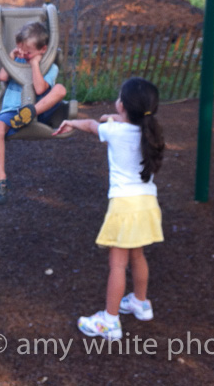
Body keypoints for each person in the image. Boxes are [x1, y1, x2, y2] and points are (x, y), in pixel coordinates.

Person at [53, 77, 165, 341]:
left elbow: (92, 126)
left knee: (118, 265)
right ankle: (140, 303)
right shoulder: (150, 132)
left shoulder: (114, 132)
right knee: (138, 255)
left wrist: (72, 122)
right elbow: (112, 122)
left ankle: (110, 321)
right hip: (147, 203)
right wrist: (113, 118)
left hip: (124, 207)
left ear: (122, 106)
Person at [0, 21, 67, 204]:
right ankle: (1, 180)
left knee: (60, 89)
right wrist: (11, 57)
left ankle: (30, 113)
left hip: (40, 110)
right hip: (13, 112)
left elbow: (40, 89)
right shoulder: (16, 61)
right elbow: (2, 77)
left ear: (43, 49)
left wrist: (35, 64)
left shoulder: (50, 67)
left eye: (28, 52)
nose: (23, 55)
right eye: (20, 50)